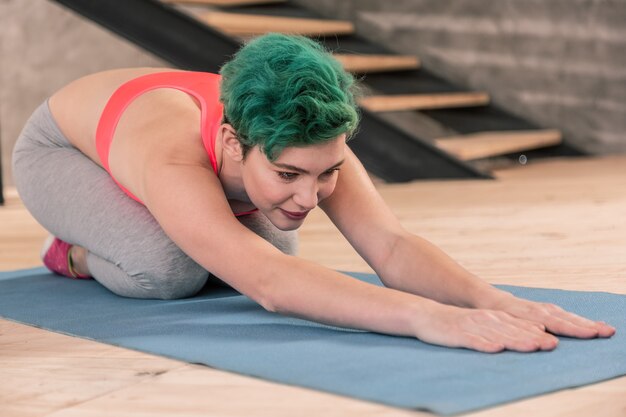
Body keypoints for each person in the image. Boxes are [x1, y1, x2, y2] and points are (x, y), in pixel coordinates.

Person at [12, 33, 614, 353]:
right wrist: (428, 320)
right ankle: (72, 252)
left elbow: (393, 246)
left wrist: (496, 301)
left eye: (325, 173)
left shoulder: (308, 134)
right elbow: (272, 289)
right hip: (59, 155)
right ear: (230, 142)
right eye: (289, 175)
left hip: (180, 170)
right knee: (168, 271)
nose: (311, 196)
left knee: (276, 257)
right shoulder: (173, 152)